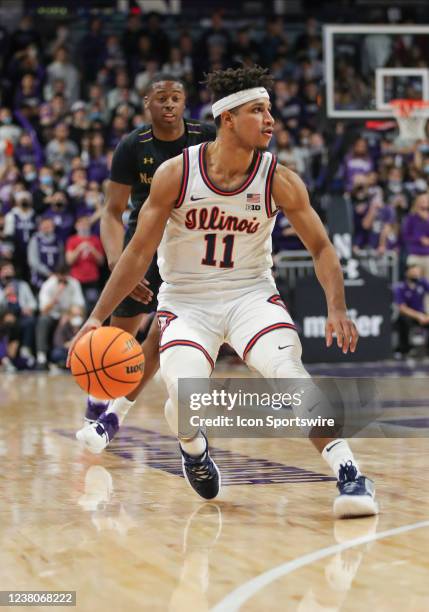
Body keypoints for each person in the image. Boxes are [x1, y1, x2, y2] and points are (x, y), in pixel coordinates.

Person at [68, 65, 377, 519]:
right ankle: (193, 449)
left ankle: (350, 472)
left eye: (270, 110)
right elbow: (137, 254)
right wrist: (97, 317)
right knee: (185, 392)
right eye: (258, 110)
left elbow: (322, 247)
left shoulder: (278, 178)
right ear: (228, 118)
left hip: (251, 294)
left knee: (290, 374)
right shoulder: (177, 174)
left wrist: (337, 307)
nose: (270, 119)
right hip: (187, 302)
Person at [75, 74, 216, 437]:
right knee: (119, 337)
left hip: (191, 245)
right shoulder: (131, 146)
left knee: (163, 336)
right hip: (146, 242)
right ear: (147, 105)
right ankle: (99, 393)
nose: (169, 104)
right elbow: (112, 211)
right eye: (161, 98)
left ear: (185, 104)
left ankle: (120, 414)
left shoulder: (206, 137)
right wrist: (118, 262)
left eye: (175, 98)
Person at [36, 264, 85, 370]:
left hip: (68, 315)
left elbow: (79, 306)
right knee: (43, 320)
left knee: (80, 320)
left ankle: (79, 356)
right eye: (60, 277)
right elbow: (43, 310)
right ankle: (42, 357)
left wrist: (69, 314)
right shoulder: (48, 284)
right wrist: (56, 295)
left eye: (65, 276)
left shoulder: (74, 283)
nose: (63, 279)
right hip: (52, 315)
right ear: (56, 275)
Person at [393, 264, 429, 357]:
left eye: (418, 273)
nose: (416, 275)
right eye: (413, 273)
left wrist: (426, 316)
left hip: (422, 314)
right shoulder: (400, 287)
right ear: (407, 273)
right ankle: (404, 349)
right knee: (403, 320)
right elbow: (402, 308)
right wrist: (419, 316)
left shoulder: (423, 283)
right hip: (408, 315)